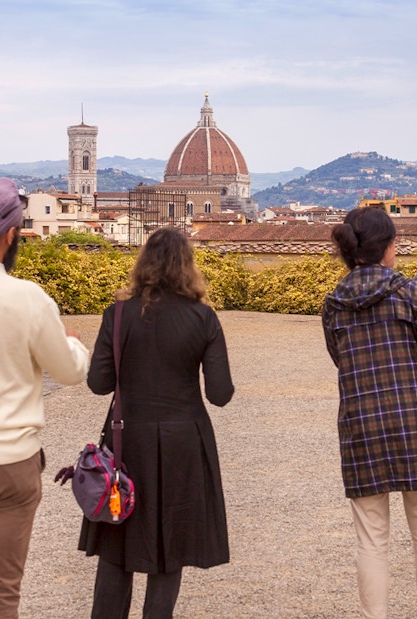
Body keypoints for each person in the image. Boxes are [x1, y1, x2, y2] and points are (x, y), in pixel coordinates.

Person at [79, 226, 234, 619]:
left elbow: (99, 384)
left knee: (117, 538)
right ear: (188, 267)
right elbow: (220, 393)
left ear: (143, 265)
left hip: (127, 439)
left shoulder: (118, 315)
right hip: (184, 440)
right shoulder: (203, 318)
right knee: (171, 544)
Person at [0, 178, 89, 619]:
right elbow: (70, 372)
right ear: (10, 236)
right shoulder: (28, 299)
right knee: (0, 594)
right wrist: (72, 341)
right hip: (9, 464)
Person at [322, 206, 417, 619]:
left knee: (371, 539)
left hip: (361, 427)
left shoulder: (333, 304)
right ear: (389, 247)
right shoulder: (412, 294)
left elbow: (341, 360)